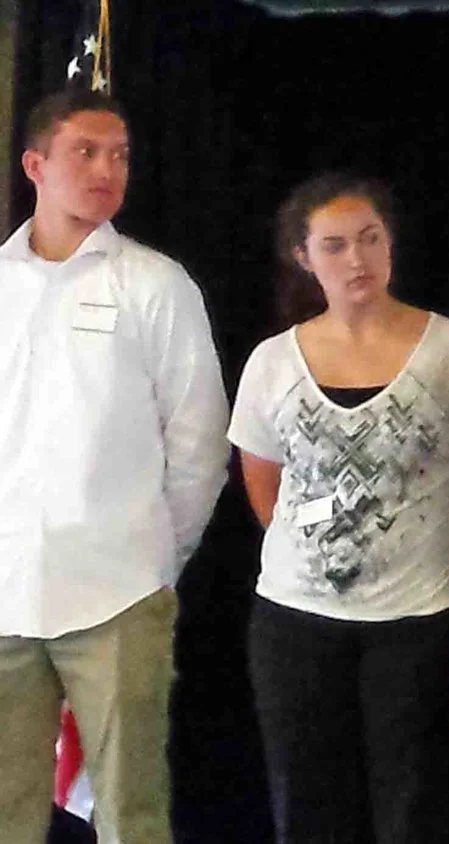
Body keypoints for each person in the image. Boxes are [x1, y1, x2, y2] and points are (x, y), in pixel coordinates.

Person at [230, 174, 449, 843]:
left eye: (371, 238)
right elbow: (266, 489)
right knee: (310, 813)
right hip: (295, 624)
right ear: (303, 257)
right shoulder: (272, 362)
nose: (357, 259)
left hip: (422, 621)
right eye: (336, 245)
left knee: (417, 813)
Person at [0, 88, 228, 844]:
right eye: (86, 152)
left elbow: (199, 444)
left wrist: (157, 560)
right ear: (35, 165)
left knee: (132, 815)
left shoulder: (156, 285)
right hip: (5, 591)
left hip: (119, 595)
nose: (107, 170)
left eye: (121, 156)